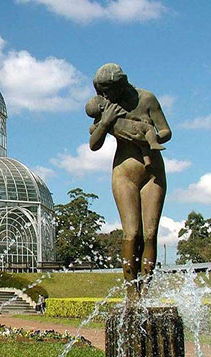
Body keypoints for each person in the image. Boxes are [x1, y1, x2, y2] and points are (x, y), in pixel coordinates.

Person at [88, 63, 171, 298]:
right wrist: (105, 123)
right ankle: (129, 289)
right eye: (101, 92)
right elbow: (93, 144)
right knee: (132, 233)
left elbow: (166, 131)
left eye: (108, 91)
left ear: (121, 85)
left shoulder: (146, 99)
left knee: (150, 234)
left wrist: (149, 134)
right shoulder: (105, 107)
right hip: (124, 174)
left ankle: (146, 287)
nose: (104, 96)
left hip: (152, 172)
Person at [85, 94, 165, 167]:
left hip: (129, 135)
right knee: (148, 129)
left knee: (143, 144)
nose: (106, 98)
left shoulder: (98, 122)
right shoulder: (113, 110)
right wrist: (105, 124)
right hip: (133, 128)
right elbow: (93, 145)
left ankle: (147, 156)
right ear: (101, 107)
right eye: (102, 98)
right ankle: (153, 143)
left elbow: (92, 130)